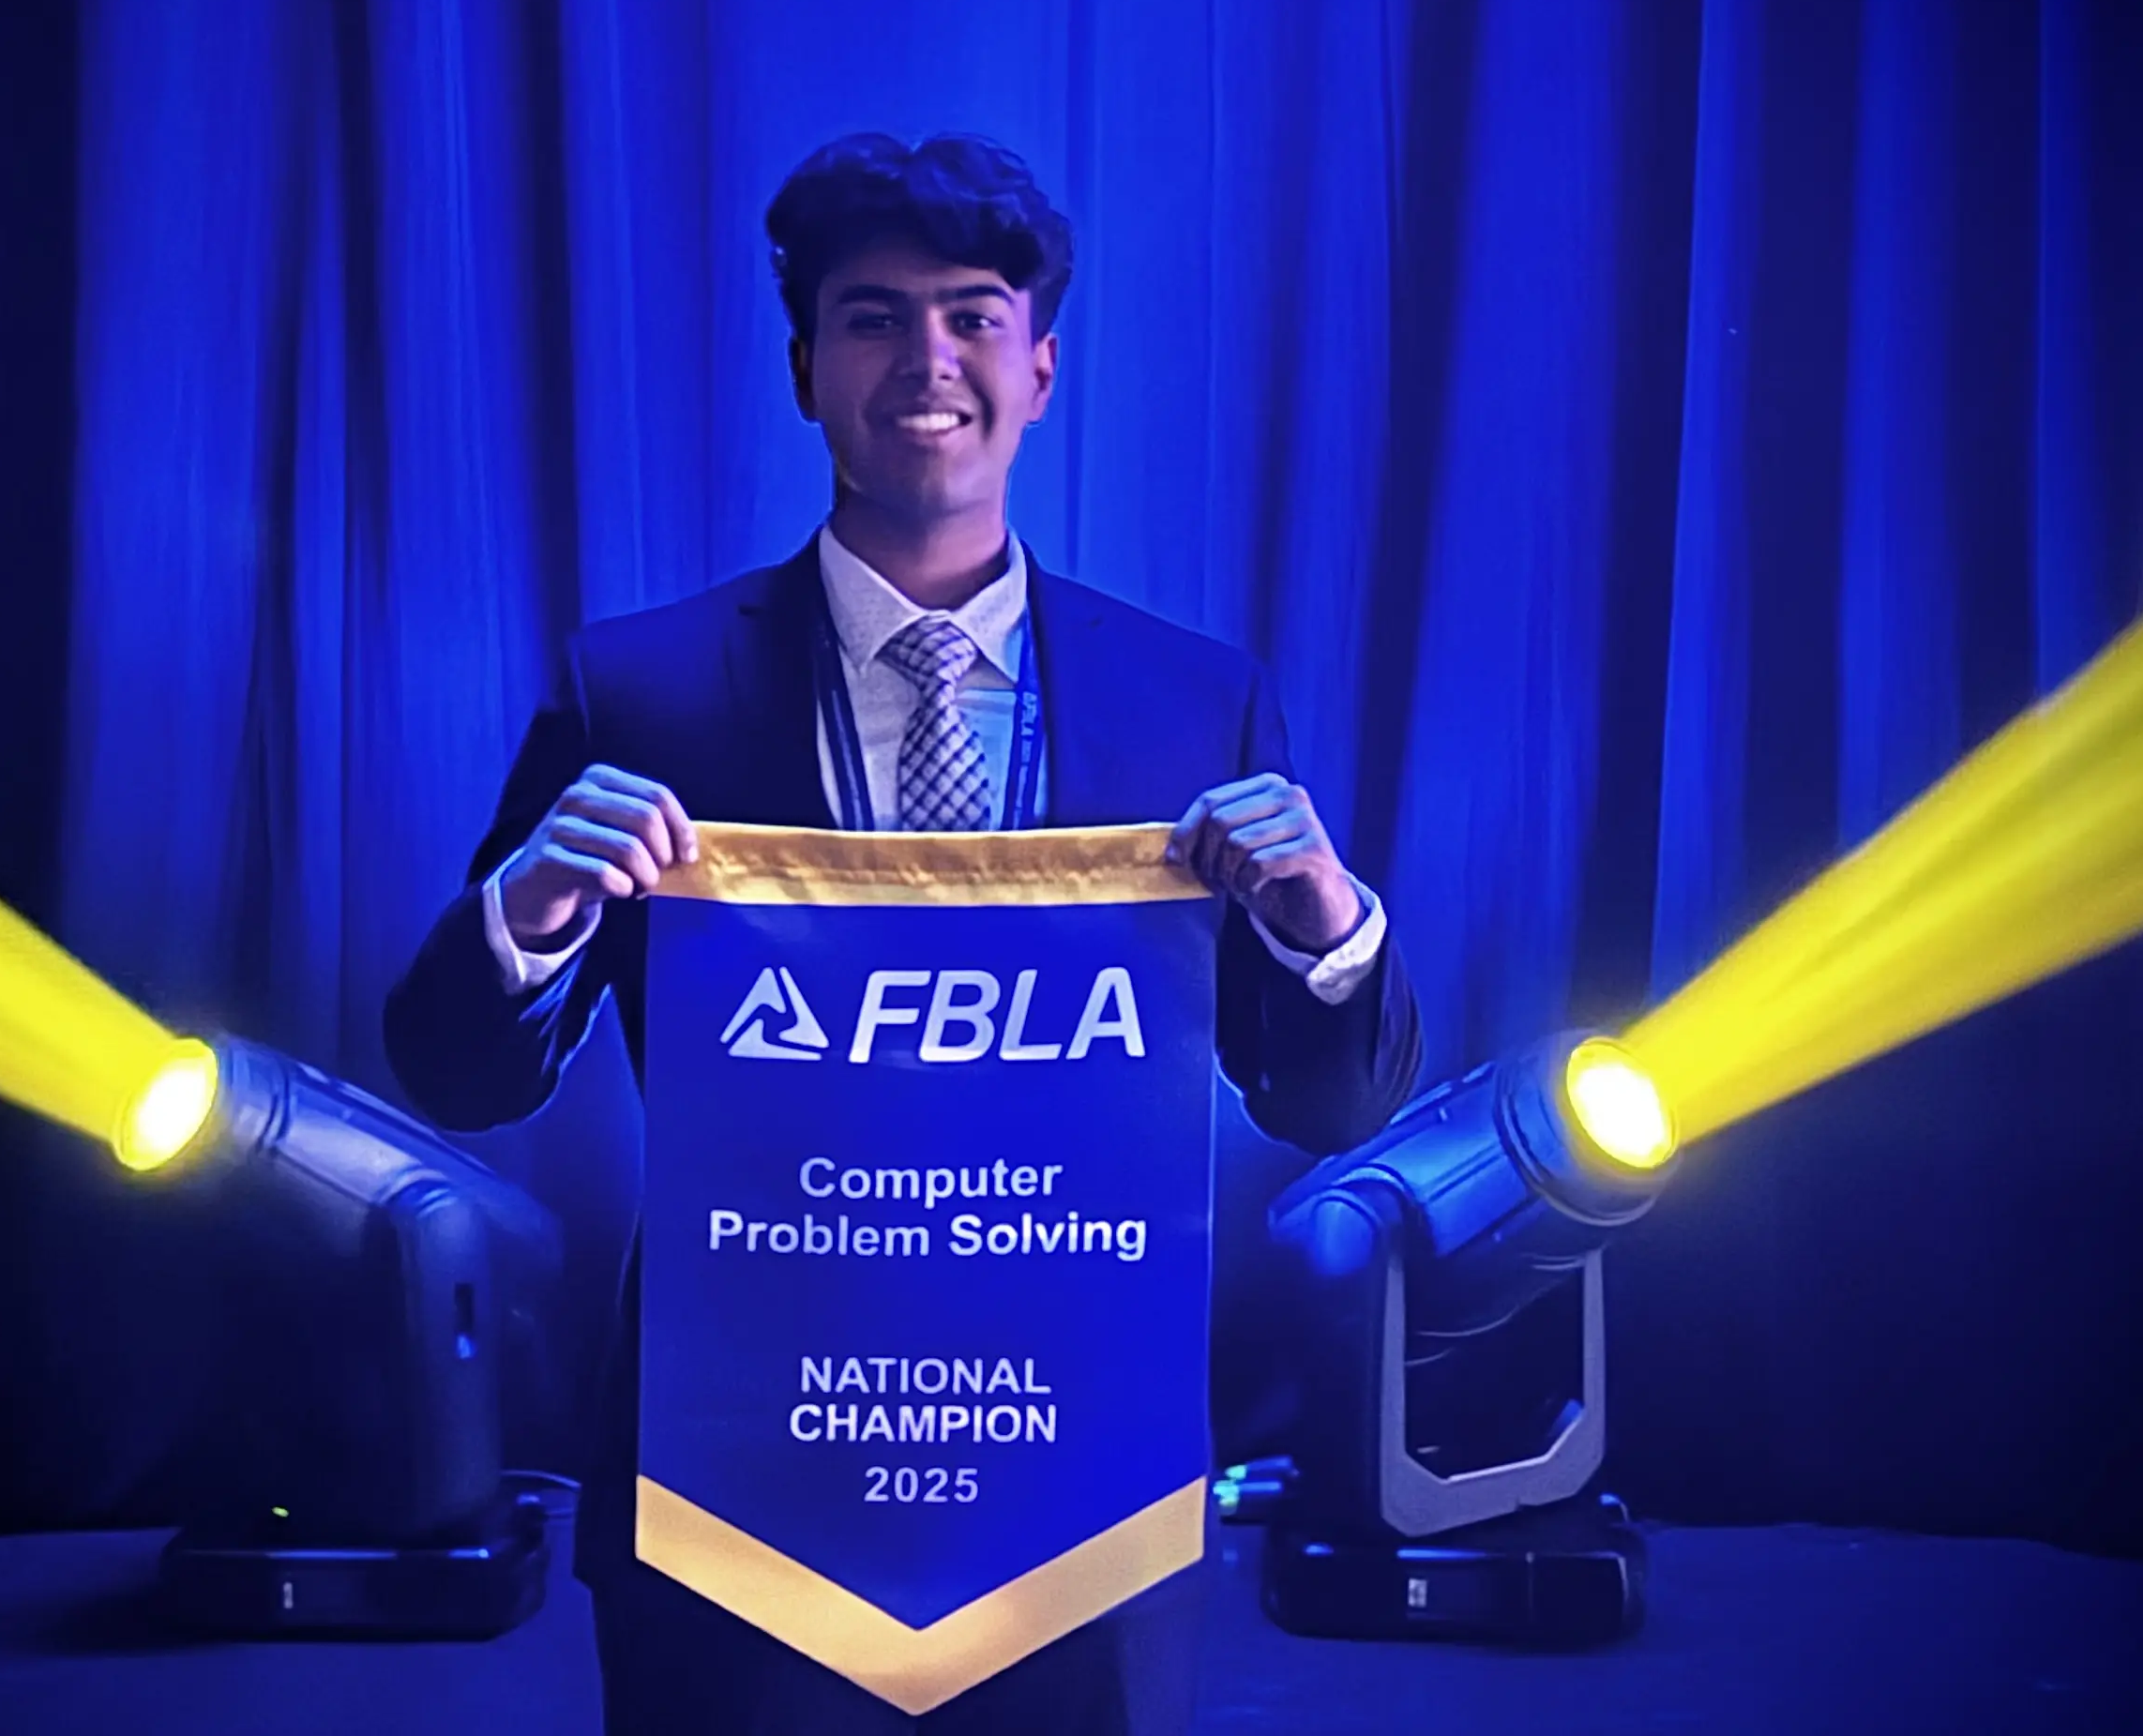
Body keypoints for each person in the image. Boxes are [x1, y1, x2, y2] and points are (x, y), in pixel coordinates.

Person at [385, 131, 1423, 1733]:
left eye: (972, 315)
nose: (925, 360)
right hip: (732, 1466)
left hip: (1078, 1470)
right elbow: (456, 1075)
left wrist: (1328, 929)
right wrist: (521, 913)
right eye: (872, 318)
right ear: (806, 368)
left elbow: (1327, 1106)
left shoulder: (1194, 700)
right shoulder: (637, 689)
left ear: (1041, 366)